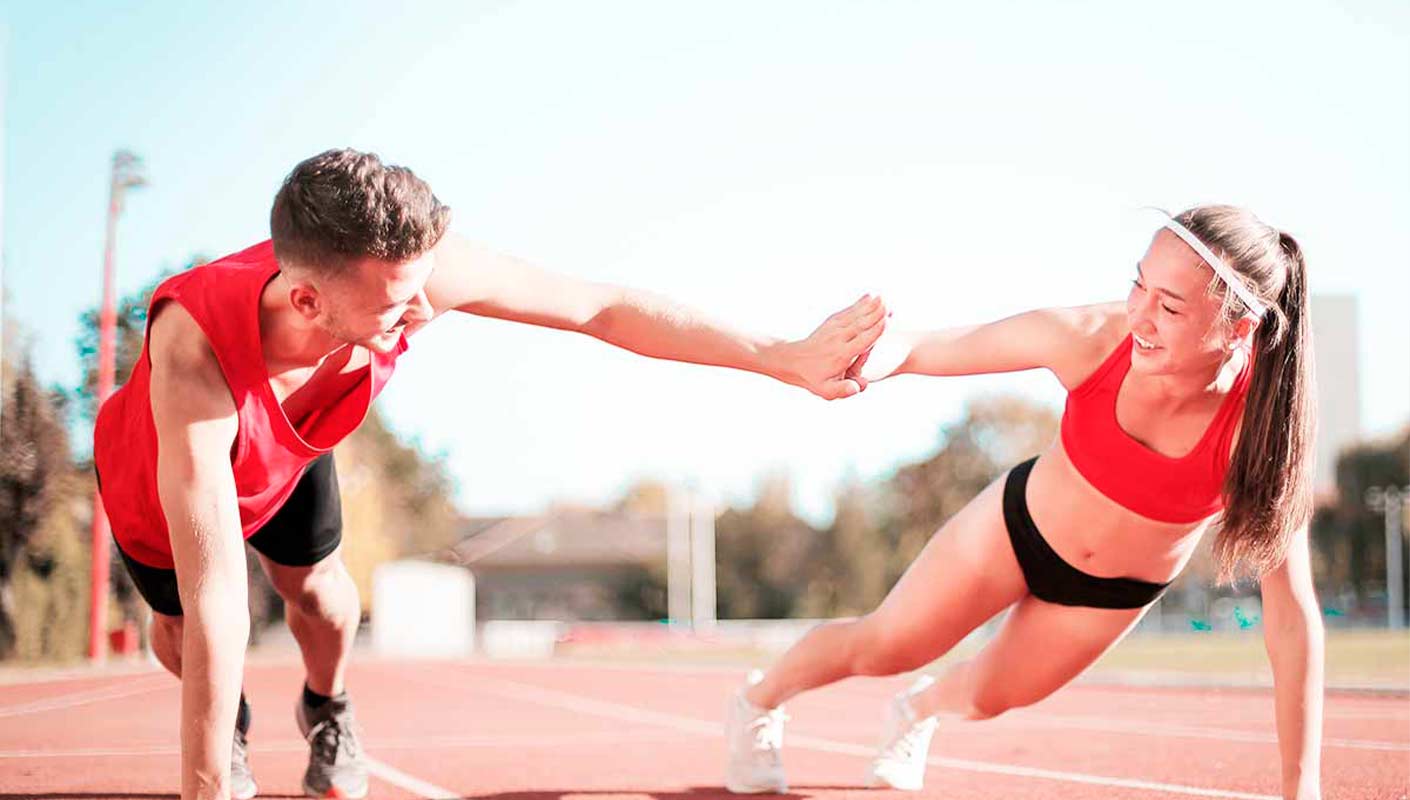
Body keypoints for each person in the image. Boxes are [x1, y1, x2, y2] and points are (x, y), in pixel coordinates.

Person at [92, 148, 888, 800]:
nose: (421, 314)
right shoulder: (194, 355)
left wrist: (777, 357)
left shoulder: (411, 276)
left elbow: (600, 307)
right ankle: (229, 728)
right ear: (305, 300)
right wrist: (206, 784)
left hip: (293, 446)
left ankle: (325, 708)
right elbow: (219, 596)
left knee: (326, 601)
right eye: (396, 309)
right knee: (188, 634)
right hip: (161, 475)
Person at [723, 205, 1323, 800]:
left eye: (1169, 306)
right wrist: (872, 360)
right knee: (886, 645)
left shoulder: (1262, 431)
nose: (1139, 315)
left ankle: (916, 711)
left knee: (988, 698)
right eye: (1138, 285)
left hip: (1110, 593)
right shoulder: (1092, 338)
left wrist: (1303, 787)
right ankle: (758, 700)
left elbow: (1291, 615)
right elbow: (927, 347)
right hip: (1016, 529)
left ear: (1240, 328)